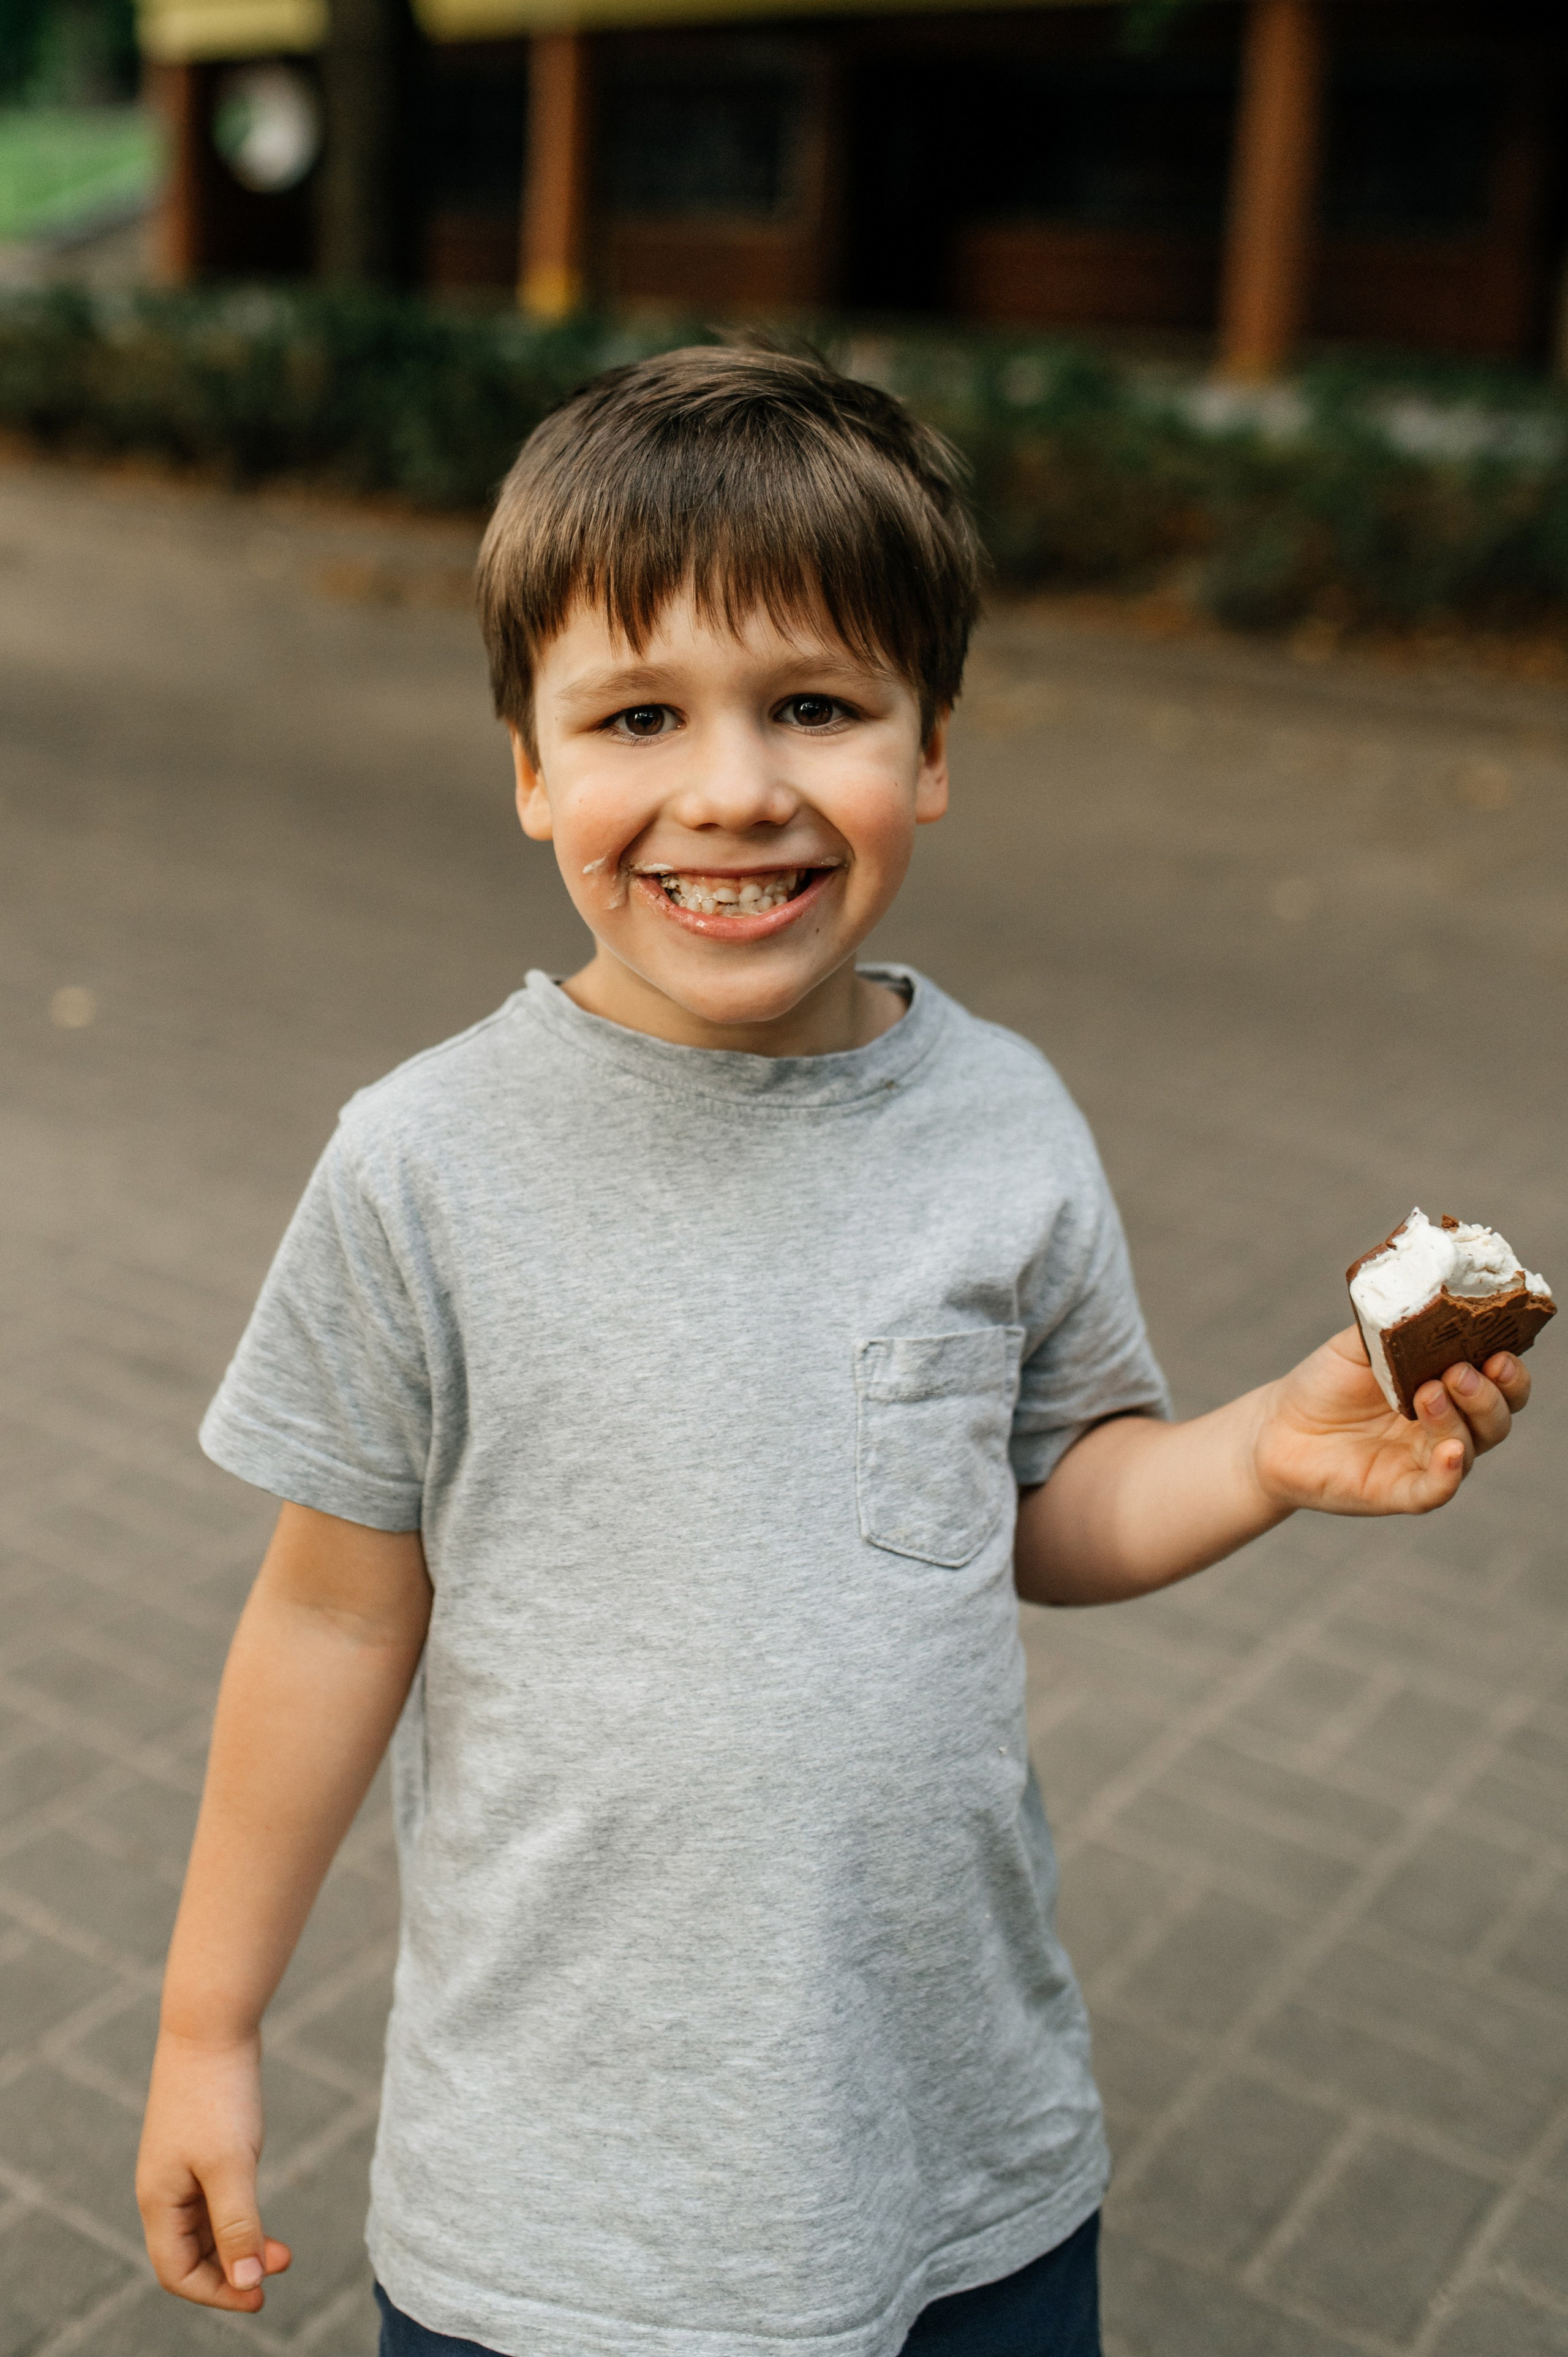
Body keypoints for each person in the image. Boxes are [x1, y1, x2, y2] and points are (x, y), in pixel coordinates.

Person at [135, 345, 1532, 2357]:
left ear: (932, 741)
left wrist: (1269, 1448)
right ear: (529, 768)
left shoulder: (1009, 1120)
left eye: (815, 705)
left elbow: (1046, 1511)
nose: (734, 787)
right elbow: (334, 1625)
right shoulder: (419, 1169)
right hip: (562, 2223)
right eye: (636, 715)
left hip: (964, 2172)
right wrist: (205, 2028)